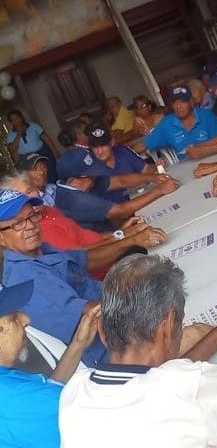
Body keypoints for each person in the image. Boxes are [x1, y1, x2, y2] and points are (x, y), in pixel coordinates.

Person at [59, 254, 217, 448]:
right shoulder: (188, 385)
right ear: (168, 325)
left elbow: (162, 381)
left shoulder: (75, 390)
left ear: (102, 330)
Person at [0, 188, 107, 366]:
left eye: (32, 216)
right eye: (18, 223)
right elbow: (91, 314)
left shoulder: (43, 250)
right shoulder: (25, 279)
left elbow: (86, 260)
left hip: (114, 317)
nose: (30, 225)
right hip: (107, 350)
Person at [2, 172, 167, 279]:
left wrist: (120, 233)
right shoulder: (35, 232)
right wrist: (126, 237)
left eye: (31, 189)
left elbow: (85, 236)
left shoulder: (47, 210)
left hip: (115, 254)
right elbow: (83, 257)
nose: (30, 198)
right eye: (21, 198)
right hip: (109, 274)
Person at [0, 279, 101, 448]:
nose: (26, 319)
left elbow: (51, 389)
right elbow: (108, 414)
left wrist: (79, 343)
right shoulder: (15, 397)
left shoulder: (7, 380)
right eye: (14, 318)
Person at [54, 147, 179, 232]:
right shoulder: (75, 200)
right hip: (102, 249)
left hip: (110, 235)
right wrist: (159, 190)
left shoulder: (83, 182)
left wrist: (152, 177)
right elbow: (121, 211)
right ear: (72, 181)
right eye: (91, 175)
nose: (95, 177)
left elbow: (119, 180)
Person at [134, 85, 217, 161]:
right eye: (174, 102)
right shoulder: (167, 123)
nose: (178, 106)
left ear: (191, 102)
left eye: (183, 102)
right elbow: (143, 145)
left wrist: (202, 150)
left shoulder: (207, 116)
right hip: (187, 167)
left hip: (215, 159)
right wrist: (126, 155)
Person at [86, 121, 165, 203]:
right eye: (95, 147)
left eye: (103, 145)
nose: (100, 151)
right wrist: (152, 178)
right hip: (120, 209)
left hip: (141, 200)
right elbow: (120, 181)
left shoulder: (123, 151)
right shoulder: (89, 167)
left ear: (112, 142)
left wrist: (157, 166)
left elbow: (145, 169)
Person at [6, 109, 60, 182]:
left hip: (43, 152)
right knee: (38, 179)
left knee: (51, 173)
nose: (16, 121)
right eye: (13, 120)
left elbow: (46, 138)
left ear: (21, 117)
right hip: (27, 159)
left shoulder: (33, 126)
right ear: (11, 123)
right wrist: (18, 134)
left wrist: (54, 151)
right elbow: (12, 150)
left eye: (17, 118)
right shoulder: (10, 135)